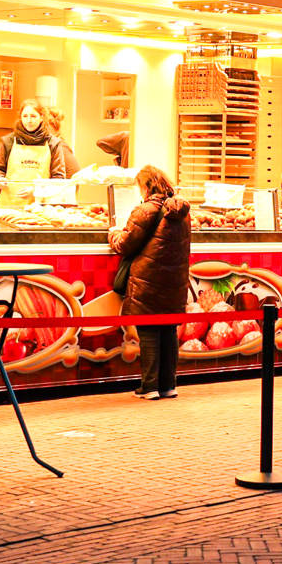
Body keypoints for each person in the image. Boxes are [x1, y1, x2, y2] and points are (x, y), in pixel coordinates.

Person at [110, 165, 193, 399]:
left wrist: (113, 233)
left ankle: (149, 386)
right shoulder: (183, 211)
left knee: (148, 331)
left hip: (148, 279)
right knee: (168, 330)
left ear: (146, 185)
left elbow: (124, 244)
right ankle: (169, 385)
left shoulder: (145, 210)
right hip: (174, 280)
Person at [0, 100, 77, 180]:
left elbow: (58, 177)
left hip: (42, 195)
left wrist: (36, 190)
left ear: (41, 117)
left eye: (33, 116)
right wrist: (0, 178)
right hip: (11, 194)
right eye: (25, 116)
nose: (29, 120)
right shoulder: (7, 141)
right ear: (20, 118)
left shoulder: (53, 144)